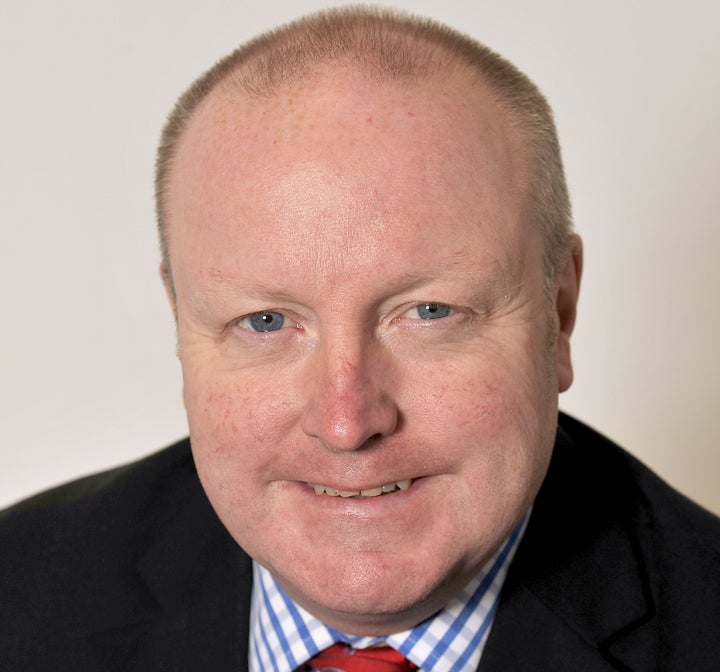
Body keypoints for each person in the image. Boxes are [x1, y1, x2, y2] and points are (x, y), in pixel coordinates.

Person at [1, 6, 718, 671]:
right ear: (180, 319)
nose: (346, 424)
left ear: (558, 310)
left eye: (430, 312)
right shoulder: (19, 600)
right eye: (266, 322)